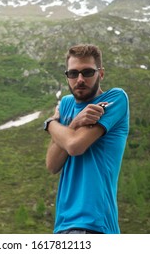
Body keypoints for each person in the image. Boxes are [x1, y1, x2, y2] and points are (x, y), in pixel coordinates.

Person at [44, 44, 129, 234]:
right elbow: (52, 164)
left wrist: (50, 124)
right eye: (73, 74)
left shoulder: (114, 99)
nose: (80, 79)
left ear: (101, 74)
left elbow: (74, 146)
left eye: (87, 72)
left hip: (95, 225)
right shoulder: (66, 104)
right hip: (63, 226)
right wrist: (73, 124)